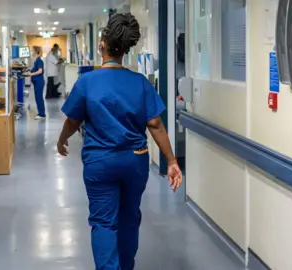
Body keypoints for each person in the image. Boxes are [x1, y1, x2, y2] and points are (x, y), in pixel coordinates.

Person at [57, 13, 183, 270]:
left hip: (100, 163)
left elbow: (72, 121)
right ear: (125, 49)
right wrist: (172, 161)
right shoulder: (139, 83)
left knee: (103, 222)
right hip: (134, 161)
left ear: (102, 44)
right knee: (128, 218)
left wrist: (62, 141)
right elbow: (156, 124)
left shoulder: (87, 82)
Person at [25, 46, 46, 120]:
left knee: (39, 98)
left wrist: (31, 74)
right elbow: (36, 69)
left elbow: (40, 71)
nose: (31, 52)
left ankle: (42, 114)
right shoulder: (36, 60)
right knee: (38, 98)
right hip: (37, 82)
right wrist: (30, 70)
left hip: (39, 82)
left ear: (36, 51)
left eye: (32, 50)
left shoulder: (39, 60)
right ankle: (41, 113)